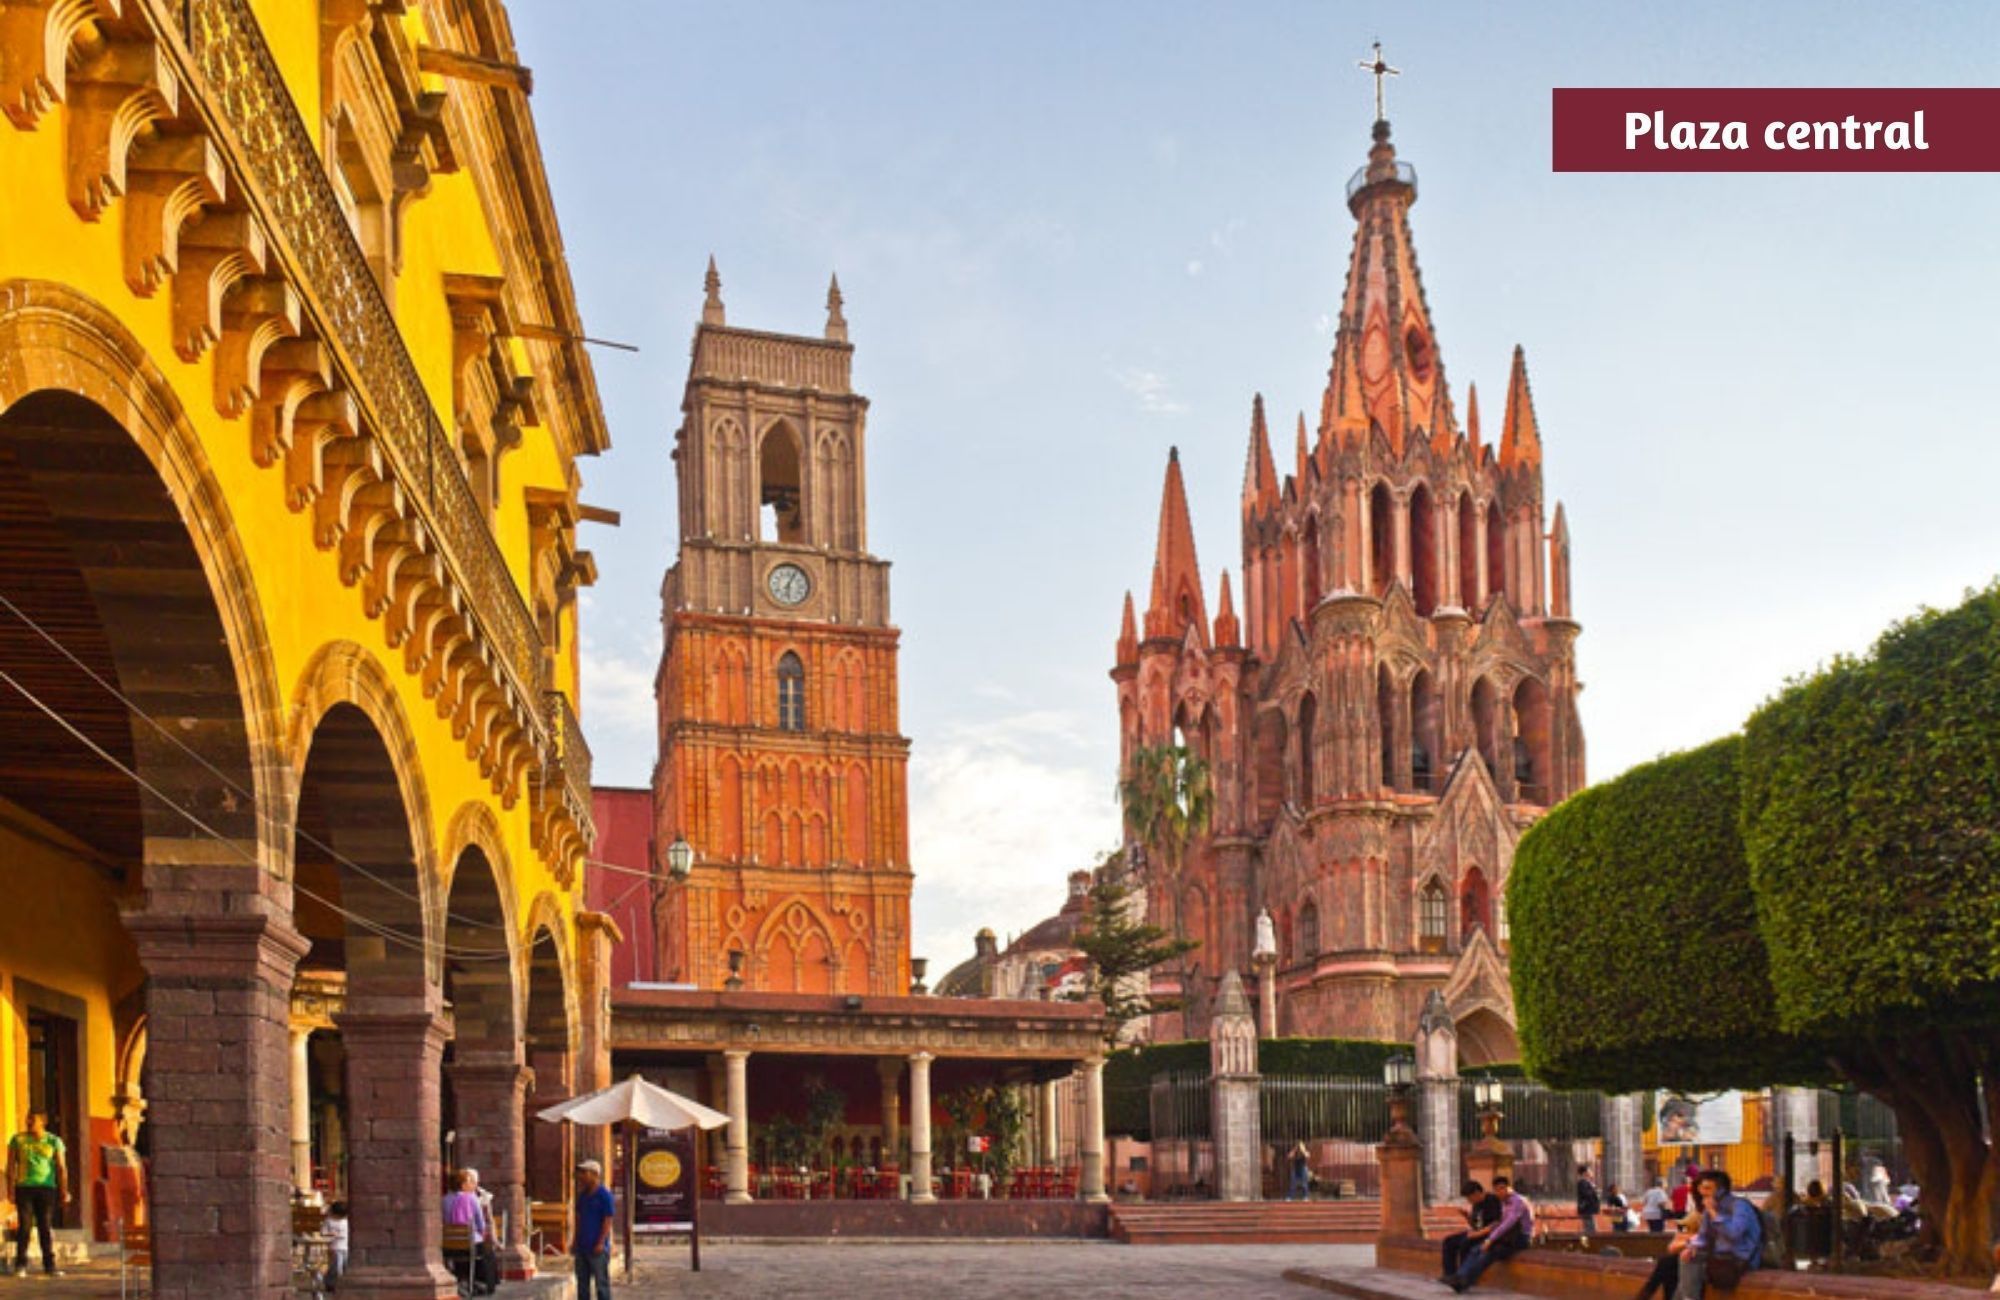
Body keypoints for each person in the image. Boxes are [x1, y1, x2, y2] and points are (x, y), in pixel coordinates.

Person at [1675, 1169, 1761, 1299]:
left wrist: (1714, 1213)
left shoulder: (1740, 1206)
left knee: (1684, 1271)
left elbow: (1733, 1234)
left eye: (1708, 1188)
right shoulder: (1709, 1209)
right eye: (1701, 1189)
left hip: (1741, 1259)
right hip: (1719, 1256)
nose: (1703, 1193)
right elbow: (1702, 1236)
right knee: (1682, 1261)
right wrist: (1692, 1246)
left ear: (1721, 1190)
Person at [1446, 1174, 1533, 1293]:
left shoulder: (1517, 1202)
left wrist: (1490, 1240)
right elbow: (1499, 1224)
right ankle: (1459, 1277)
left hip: (1520, 1239)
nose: (1499, 1192)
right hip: (1507, 1237)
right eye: (1496, 1189)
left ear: (1509, 1187)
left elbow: (1507, 1224)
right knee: (1476, 1249)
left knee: (1488, 1253)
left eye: (1502, 1188)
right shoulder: (1503, 1202)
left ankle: (1465, 1281)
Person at [7, 1112, 68, 1278]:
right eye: (28, 1119)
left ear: (43, 1122)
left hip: (47, 1188)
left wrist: (64, 1190)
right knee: (24, 1227)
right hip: (24, 1188)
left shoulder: (54, 1141)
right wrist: (10, 1190)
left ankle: (50, 1265)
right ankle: (20, 1265)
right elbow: (11, 1166)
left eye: (33, 1120)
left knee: (45, 1226)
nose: (28, 1122)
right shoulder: (17, 1140)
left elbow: (61, 1167)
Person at [1635, 1184, 1705, 1300]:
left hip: (1710, 1260)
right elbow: (1672, 1246)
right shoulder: (1695, 1216)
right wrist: (1690, 1243)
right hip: (1691, 1256)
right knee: (1669, 1263)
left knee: (1673, 1264)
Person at [442, 1167, 498, 1295]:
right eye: (469, 1182)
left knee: (461, 1252)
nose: (472, 1184)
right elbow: (480, 1224)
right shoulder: (472, 1199)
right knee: (487, 1252)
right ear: (462, 1184)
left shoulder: (444, 1200)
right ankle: (485, 1283)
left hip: (448, 1245)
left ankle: (462, 1279)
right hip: (470, 1244)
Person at [1439, 1179, 1502, 1282]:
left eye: (1469, 1197)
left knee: (1466, 1244)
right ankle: (1449, 1274)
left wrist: (1477, 1234)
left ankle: (1463, 1276)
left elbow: (1496, 1223)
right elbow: (1475, 1224)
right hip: (1476, 1232)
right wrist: (1467, 1216)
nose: (1469, 1201)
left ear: (1477, 1193)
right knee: (1449, 1241)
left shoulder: (1492, 1200)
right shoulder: (1476, 1204)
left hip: (1487, 1235)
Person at [572, 1157, 616, 1300]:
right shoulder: (583, 1196)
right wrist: (575, 1240)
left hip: (597, 1247)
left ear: (595, 1174)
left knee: (601, 1284)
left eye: (585, 1173)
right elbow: (578, 1218)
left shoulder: (604, 1195)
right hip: (582, 1246)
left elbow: (607, 1220)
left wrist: (601, 1242)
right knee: (582, 1284)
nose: (581, 1176)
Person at [323, 1201, 349, 1292]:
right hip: (335, 1246)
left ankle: (342, 1283)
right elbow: (323, 1232)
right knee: (336, 1266)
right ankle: (332, 1283)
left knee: (345, 1265)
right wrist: (331, 1234)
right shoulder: (329, 1221)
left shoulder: (346, 1221)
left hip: (345, 1246)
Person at [1576, 1163, 1602, 1235]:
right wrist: (1595, 1192)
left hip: (1589, 1209)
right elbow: (1587, 1194)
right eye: (1590, 1170)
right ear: (1585, 1173)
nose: (1591, 1172)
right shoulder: (1582, 1183)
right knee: (1591, 1229)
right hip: (1587, 1209)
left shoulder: (1587, 1183)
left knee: (1591, 1228)